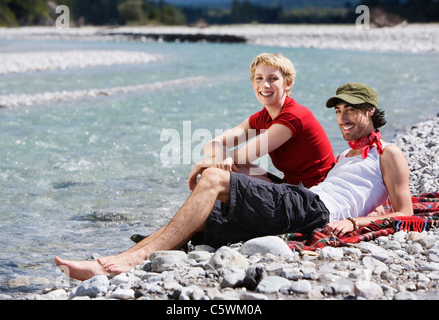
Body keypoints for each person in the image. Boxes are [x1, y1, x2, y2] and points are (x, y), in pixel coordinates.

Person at [55, 82, 413, 281]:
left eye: (350, 109)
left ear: (369, 111)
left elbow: (405, 212)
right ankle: (109, 263)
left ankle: (136, 259)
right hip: (303, 200)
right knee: (206, 222)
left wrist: (354, 221)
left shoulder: (388, 153)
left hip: (314, 208)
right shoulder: (348, 155)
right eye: (337, 111)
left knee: (214, 177)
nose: (342, 117)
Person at [188, 52, 335, 189]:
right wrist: (222, 151)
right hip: (291, 185)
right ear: (253, 83)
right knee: (225, 167)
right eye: (259, 78)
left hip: (313, 194)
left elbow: (241, 157)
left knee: (217, 170)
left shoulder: (293, 117)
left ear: (288, 83)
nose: (265, 85)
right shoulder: (263, 117)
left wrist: (202, 163)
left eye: (273, 78)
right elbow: (210, 145)